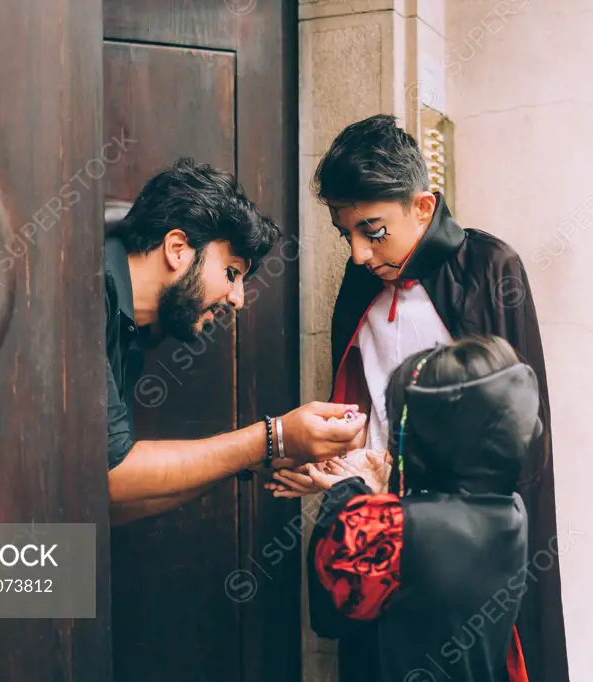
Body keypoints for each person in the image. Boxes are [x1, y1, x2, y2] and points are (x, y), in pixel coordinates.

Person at [267, 115, 568, 682]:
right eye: (346, 235)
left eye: (374, 231)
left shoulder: (490, 268)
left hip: (458, 545)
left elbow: (517, 431)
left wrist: (368, 494)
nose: (358, 254)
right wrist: (333, 463)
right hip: (376, 526)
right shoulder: (361, 282)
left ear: (424, 207)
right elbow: (360, 403)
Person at [105, 157, 366, 524]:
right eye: (231, 273)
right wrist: (273, 437)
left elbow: (113, 499)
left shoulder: (130, 331)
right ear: (177, 248)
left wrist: (259, 456)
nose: (237, 299)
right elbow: (114, 476)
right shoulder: (92, 292)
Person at [306, 336, 538, 682]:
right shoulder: (511, 512)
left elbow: (331, 613)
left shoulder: (393, 529)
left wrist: (348, 490)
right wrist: (384, 490)